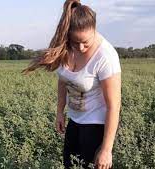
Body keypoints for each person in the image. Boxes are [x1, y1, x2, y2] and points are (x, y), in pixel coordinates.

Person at [21, 0, 121, 168]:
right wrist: (60, 111)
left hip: (96, 126)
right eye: (75, 42)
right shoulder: (65, 46)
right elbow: (63, 79)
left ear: (94, 29)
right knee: (70, 165)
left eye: (86, 42)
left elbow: (114, 106)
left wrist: (106, 149)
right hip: (74, 121)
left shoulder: (106, 56)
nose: (80, 47)